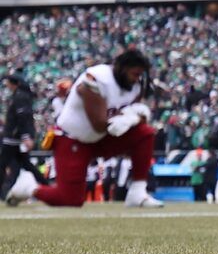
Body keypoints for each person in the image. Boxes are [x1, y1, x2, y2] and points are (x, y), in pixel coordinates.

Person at [8, 47, 164, 209]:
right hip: (72, 139)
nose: (137, 79)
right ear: (122, 69)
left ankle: (137, 193)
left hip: (101, 139)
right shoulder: (97, 77)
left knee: (145, 133)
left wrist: (131, 118)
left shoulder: (136, 86)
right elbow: (98, 124)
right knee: (71, 200)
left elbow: (139, 117)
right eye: (135, 74)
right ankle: (29, 188)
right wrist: (129, 118)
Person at [0, 72, 45, 200]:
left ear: (15, 84)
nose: (6, 84)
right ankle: (47, 186)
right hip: (15, 138)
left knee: (2, 165)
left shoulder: (20, 97)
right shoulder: (19, 96)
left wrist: (26, 137)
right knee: (26, 165)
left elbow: (23, 118)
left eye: (8, 82)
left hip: (13, 139)